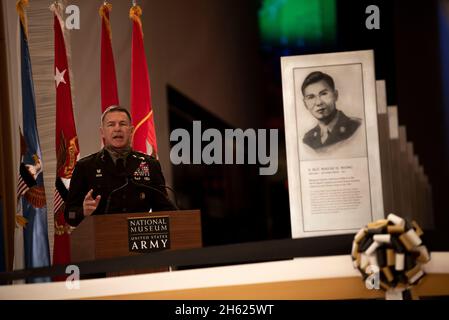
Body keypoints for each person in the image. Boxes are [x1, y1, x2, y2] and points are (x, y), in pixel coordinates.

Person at [64, 105, 177, 227]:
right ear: (102, 132)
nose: (117, 129)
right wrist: (83, 212)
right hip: (102, 240)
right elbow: (70, 215)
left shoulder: (150, 164)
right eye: (111, 124)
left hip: (139, 238)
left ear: (131, 130)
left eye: (122, 124)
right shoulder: (85, 166)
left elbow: (165, 209)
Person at [301, 71, 361, 151]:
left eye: (323, 94)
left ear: (335, 95)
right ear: (305, 104)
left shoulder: (357, 127)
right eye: (311, 97)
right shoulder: (307, 139)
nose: (319, 102)